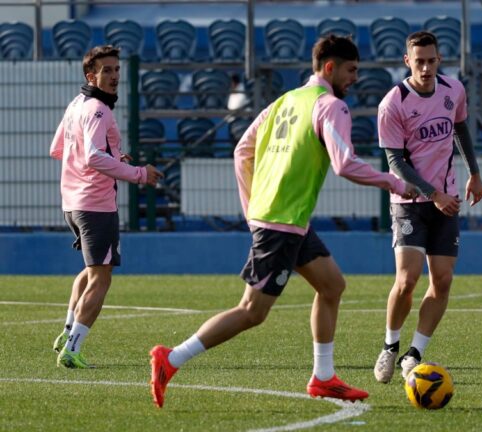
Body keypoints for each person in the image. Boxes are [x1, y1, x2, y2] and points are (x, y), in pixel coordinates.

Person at [149, 35, 416, 408]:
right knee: (252, 312)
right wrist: (396, 183)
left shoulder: (285, 101)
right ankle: (171, 359)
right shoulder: (330, 106)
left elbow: (242, 149)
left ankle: (323, 377)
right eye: (351, 70)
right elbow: (344, 163)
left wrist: (252, 206)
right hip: (281, 223)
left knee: (332, 286)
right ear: (329, 68)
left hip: (285, 220)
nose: (355, 78)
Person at [372, 31, 482, 384]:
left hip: (446, 199)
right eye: (418, 61)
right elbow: (395, 161)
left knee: (444, 279)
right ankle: (390, 346)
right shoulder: (393, 103)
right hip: (409, 203)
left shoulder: (454, 91)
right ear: (407, 61)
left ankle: (415, 353)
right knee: (407, 280)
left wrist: (474, 174)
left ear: (440, 60)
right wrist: (433, 193)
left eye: (431, 60)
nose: (425, 67)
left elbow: (461, 129)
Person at [49, 45, 164, 369]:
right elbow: (93, 157)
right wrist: (139, 174)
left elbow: (58, 147)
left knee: (90, 271)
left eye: (116, 69)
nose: (114, 76)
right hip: (95, 205)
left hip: (71, 203)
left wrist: (113, 156)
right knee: (102, 277)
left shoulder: (77, 104)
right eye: (106, 71)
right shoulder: (100, 110)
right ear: (91, 75)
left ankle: (67, 333)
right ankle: (72, 348)